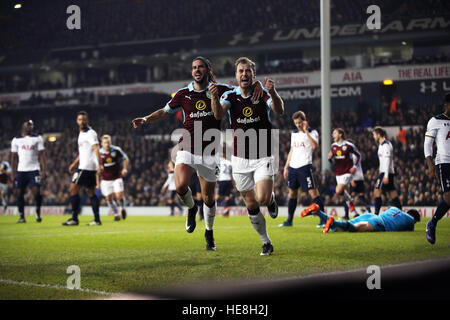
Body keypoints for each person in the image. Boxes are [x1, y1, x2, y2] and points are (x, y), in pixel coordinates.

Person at [132, 56, 263, 251]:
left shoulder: (222, 89)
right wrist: (146, 119)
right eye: (194, 67)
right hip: (187, 147)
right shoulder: (183, 93)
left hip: (210, 151)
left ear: (208, 69)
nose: (197, 70)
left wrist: (258, 83)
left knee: (209, 198)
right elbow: (164, 111)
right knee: (180, 185)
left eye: (201, 67)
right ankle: (192, 208)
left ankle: (209, 232)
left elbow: (244, 88)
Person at [211, 56, 284, 255]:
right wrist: (214, 98)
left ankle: (270, 200)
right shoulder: (230, 96)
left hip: (263, 154)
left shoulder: (262, 93)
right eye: (240, 71)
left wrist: (273, 92)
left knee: (261, 198)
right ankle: (266, 241)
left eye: (247, 71)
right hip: (240, 159)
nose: (244, 74)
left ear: (253, 74)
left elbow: (279, 110)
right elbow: (218, 115)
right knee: (251, 204)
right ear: (236, 76)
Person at [280, 110, 325, 228]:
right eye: (296, 123)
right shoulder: (293, 134)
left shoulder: (313, 132)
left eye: (300, 122)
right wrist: (286, 167)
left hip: (305, 166)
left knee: (313, 193)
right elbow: (292, 150)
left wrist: (306, 131)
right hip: (293, 168)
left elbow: (315, 146)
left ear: (304, 121)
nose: (298, 125)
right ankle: (289, 221)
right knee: (292, 194)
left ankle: (323, 220)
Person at [62, 111, 103, 226]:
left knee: (73, 190)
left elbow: (96, 149)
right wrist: (74, 163)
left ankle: (74, 218)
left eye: (84, 119)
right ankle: (97, 219)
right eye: (80, 119)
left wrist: (100, 165)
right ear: (77, 121)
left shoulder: (90, 133)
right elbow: (84, 152)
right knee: (91, 193)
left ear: (87, 120)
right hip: (86, 166)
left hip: (86, 167)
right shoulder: (82, 133)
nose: (82, 121)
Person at [424, 93, 450, 244]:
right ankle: (432, 223)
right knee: (448, 198)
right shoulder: (436, 121)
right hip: (444, 163)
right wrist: (430, 164)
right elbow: (428, 144)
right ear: (446, 104)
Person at [10, 120, 47, 223]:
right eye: (28, 125)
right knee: (19, 193)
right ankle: (22, 216)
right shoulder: (16, 140)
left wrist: (44, 170)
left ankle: (38, 212)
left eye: (31, 125)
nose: (29, 127)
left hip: (34, 169)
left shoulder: (37, 138)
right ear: (23, 126)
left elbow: (42, 155)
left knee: (37, 192)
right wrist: (13, 173)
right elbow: (13, 158)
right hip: (21, 170)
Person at [300, 203, 420, 234]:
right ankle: (329, 219)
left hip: (372, 215)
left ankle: (318, 211)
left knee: (339, 229)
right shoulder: (410, 221)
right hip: (379, 223)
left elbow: (389, 208)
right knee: (355, 229)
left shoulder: (394, 208)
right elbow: (409, 227)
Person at [328, 128, 359, 220]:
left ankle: (351, 202)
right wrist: (330, 159)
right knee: (345, 194)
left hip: (347, 172)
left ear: (340, 134)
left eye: (334, 133)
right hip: (338, 173)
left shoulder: (349, 145)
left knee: (338, 191)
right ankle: (353, 213)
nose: (333, 135)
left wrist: (355, 167)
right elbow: (334, 161)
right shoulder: (333, 146)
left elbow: (358, 155)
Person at [372, 126, 402, 215]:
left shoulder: (386, 145)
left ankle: (376, 214)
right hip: (386, 172)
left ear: (379, 135)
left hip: (386, 173)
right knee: (392, 193)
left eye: (374, 134)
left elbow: (388, 160)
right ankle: (401, 213)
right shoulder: (381, 145)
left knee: (377, 191)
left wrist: (385, 175)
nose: (373, 137)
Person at [99, 135, 129, 221]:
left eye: (108, 142)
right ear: (102, 143)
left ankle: (123, 208)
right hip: (105, 179)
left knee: (119, 196)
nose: (107, 144)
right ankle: (116, 215)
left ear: (111, 142)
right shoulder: (99, 153)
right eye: (105, 142)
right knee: (108, 198)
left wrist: (124, 169)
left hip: (116, 177)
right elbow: (97, 164)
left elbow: (125, 158)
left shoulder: (116, 150)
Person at [215, 144, 234, 217]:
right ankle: (226, 210)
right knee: (227, 196)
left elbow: (216, 173)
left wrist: (216, 181)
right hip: (229, 180)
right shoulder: (229, 163)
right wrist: (233, 183)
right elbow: (232, 173)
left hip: (222, 180)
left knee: (218, 195)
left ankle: (210, 207)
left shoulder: (219, 162)